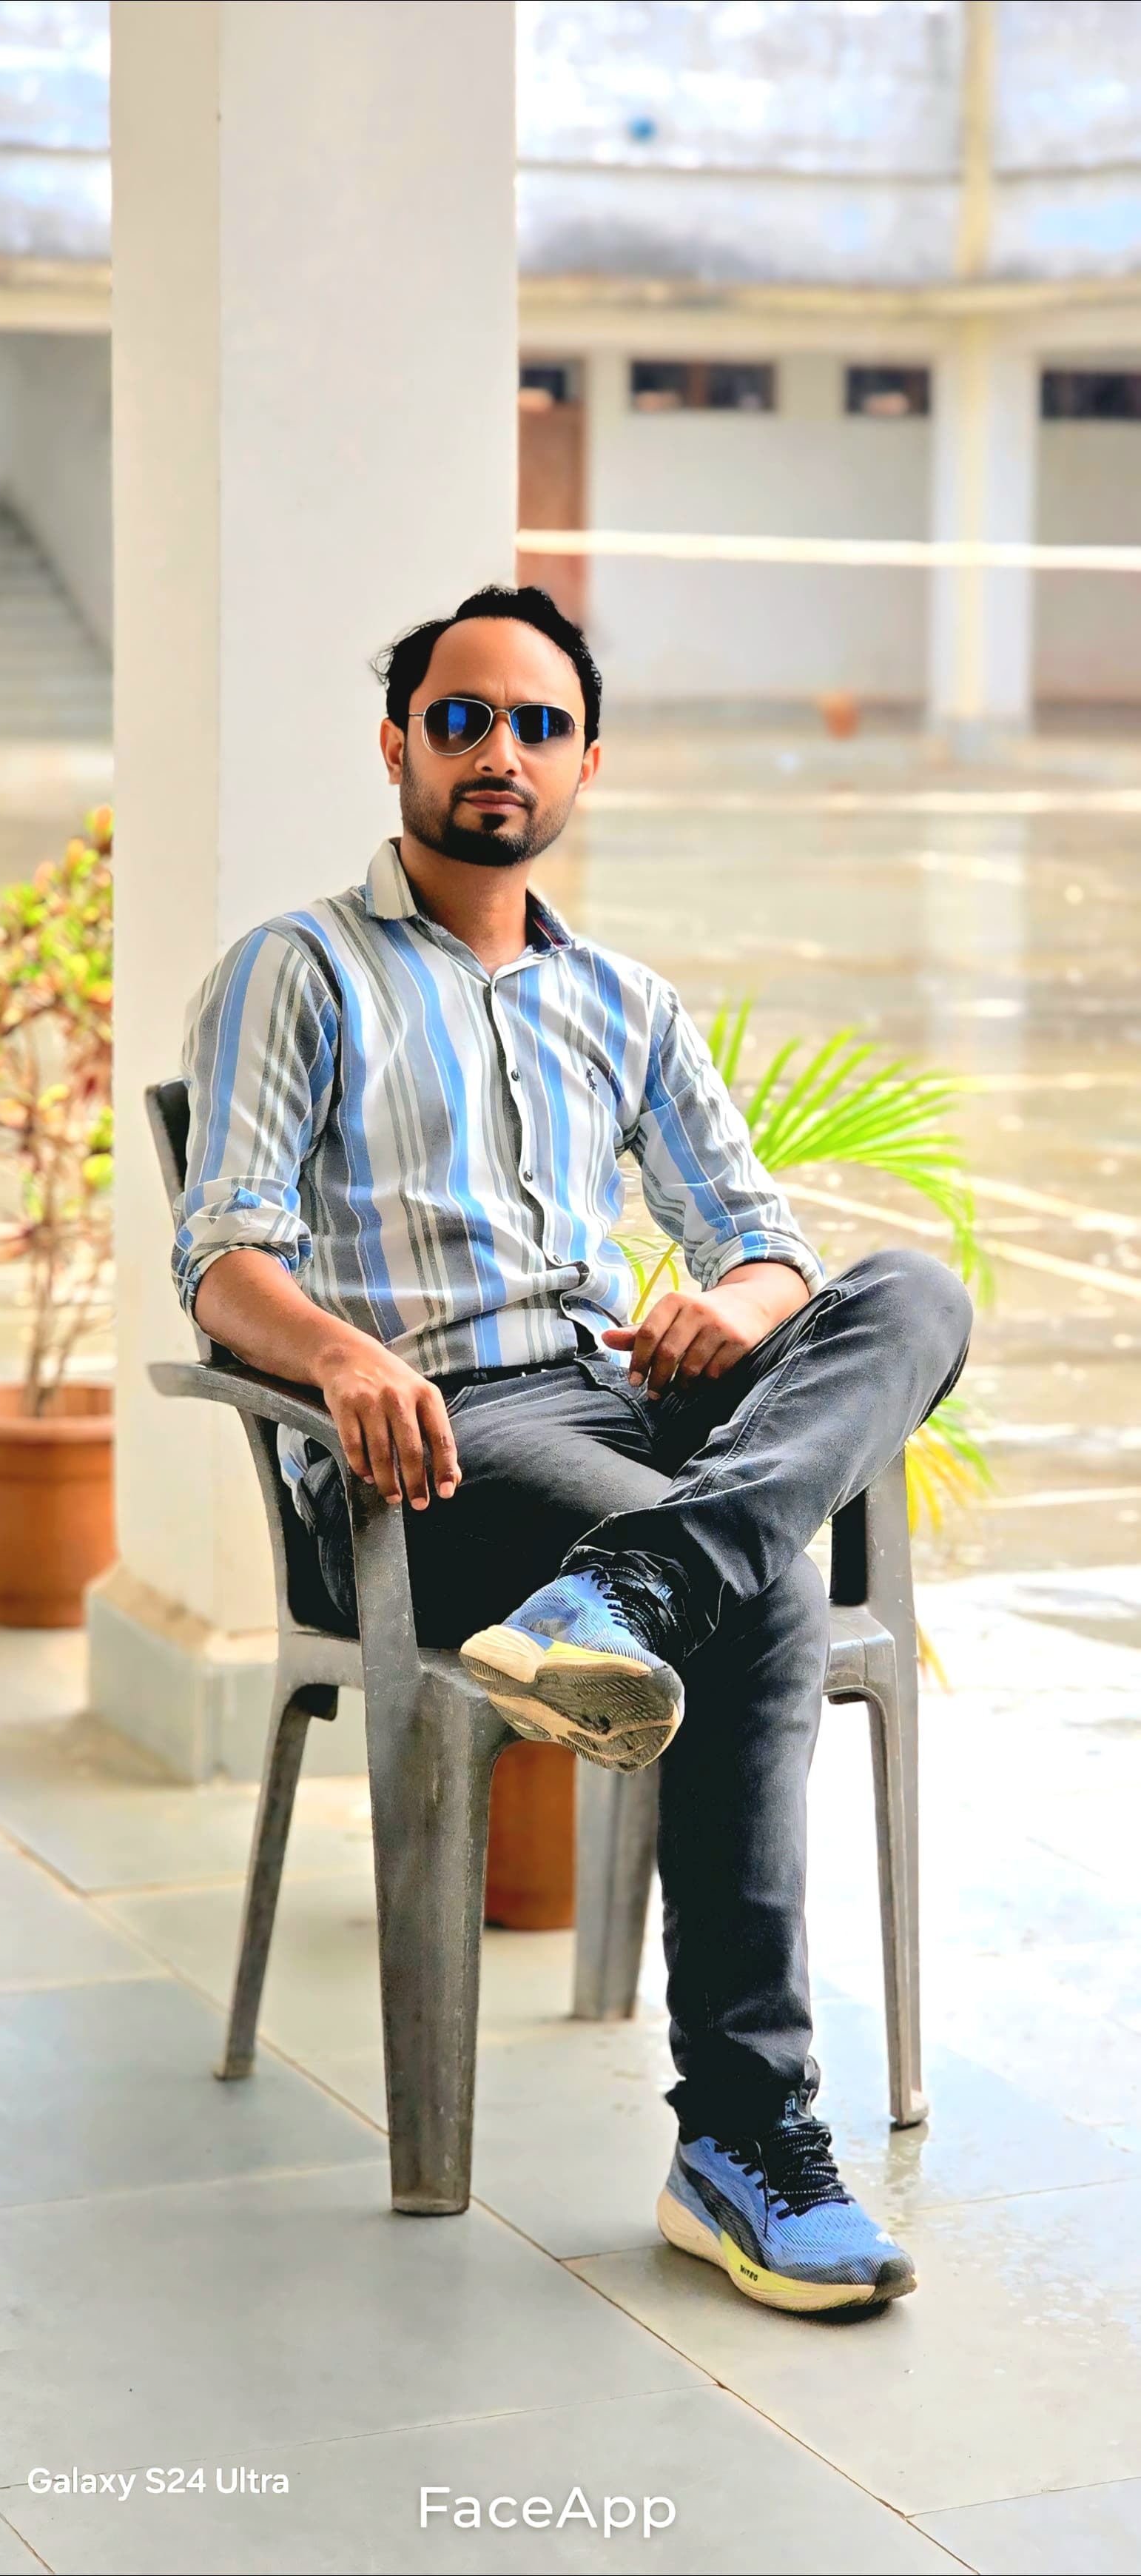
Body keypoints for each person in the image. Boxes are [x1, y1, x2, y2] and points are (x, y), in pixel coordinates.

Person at [174, 583, 971, 2315]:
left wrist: (732, 1311)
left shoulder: (622, 998)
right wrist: (341, 1355)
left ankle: (640, 1585)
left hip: (630, 1406)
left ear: (583, 762)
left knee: (910, 1292)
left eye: (537, 725)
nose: (498, 751)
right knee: (763, 1587)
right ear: (396, 745)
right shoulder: (296, 971)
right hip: (442, 1442)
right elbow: (223, 1254)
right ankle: (741, 2143)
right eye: (459, 718)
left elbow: (760, 1241)